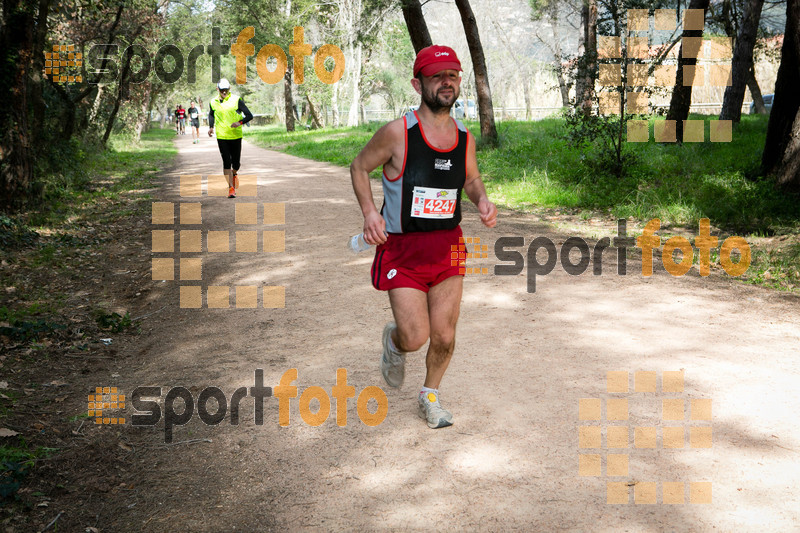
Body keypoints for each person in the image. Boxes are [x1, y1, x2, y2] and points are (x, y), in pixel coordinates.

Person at [350, 45, 497, 429]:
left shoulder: (464, 136)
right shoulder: (398, 133)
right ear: (418, 84)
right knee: (416, 336)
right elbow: (359, 166)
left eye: (453, 74)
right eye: (437, 75)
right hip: (403, 250)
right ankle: (394, 341)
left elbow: (470, 179)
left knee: (444, 335)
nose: (446, 81)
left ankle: (430, 395)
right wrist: (369, 212)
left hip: (447, 247)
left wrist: (482, 200)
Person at [208, 78, 253, 198]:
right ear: (217, 89)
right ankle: (231, 188)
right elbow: (211, 114)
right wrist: (211, 127)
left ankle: (234, 173)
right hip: (222, 136)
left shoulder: (236, 100)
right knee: (226, 162)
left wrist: (240, 122)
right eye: (222, 90)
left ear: (229, 89)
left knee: (236, 164)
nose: (224, 92)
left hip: (236, 135)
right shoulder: (213, 102)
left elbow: (249, 115)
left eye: (226, 90)